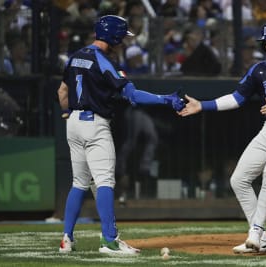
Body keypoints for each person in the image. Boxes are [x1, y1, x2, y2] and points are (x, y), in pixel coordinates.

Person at [178, 21, 266, 253]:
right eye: (264, 42)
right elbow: (237, 98)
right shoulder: (259, 69)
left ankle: (255, 231)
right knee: (239, 179)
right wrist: (202, 106)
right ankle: (261, 239)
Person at [57, 15, 185, 256]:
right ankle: (110, 241)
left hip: (73, 123)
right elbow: (133, 96)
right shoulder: (104, 61)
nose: (124, 42)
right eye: (122, 38)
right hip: (95, 124)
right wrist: (166, 99)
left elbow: (62, 90)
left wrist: (67, 112)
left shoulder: (75, 56)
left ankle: (67, 238)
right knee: (105, 181)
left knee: (79, 183)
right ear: (114, 37)